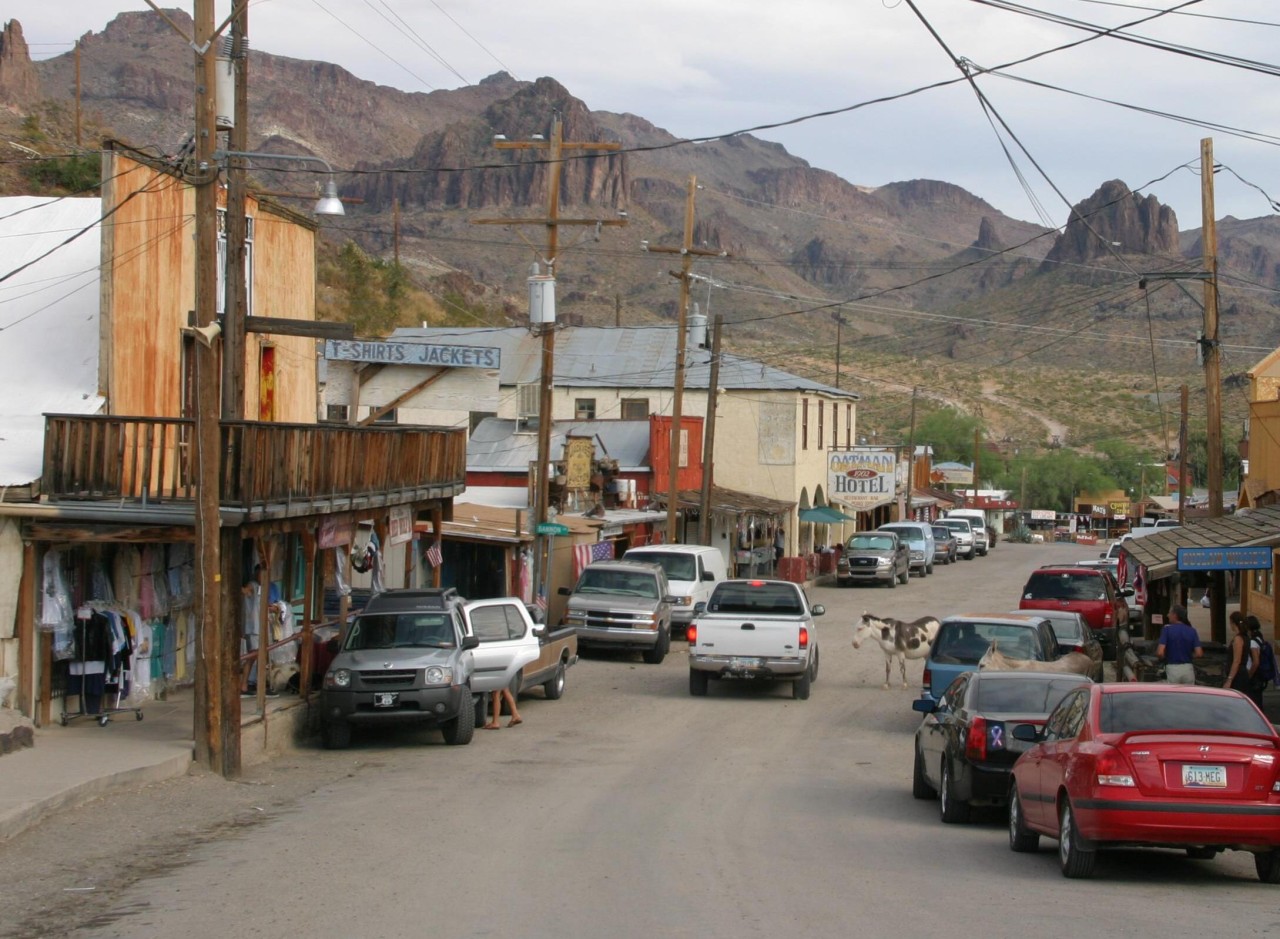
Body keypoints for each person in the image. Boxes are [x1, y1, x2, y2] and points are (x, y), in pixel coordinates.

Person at [1156, 604, 1202, 685]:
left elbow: (1160, 652)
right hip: (1188, 669)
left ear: (1175, 615)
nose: (1167, 615)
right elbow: (1199, 653)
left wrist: (1164, 658)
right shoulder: (1192, 631)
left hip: (1172, 668)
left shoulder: (1167, 629)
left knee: (1173, 695)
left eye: (1169, 613)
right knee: (1188, 696)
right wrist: (1188, 656)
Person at [1225, 610, 1258, 700]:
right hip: (1242, 672)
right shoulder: (1246, 637)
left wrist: (1229, 679)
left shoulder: (1238, 639)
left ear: (1233, 623)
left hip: (1238, 675)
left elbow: (1237, 660)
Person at [1244, 614, 1268, 711]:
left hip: (1254, 677)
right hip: (1259, 676)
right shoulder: (1259, 638)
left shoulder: (1253, 642)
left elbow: (1256, 661)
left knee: (1253, 702)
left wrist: (1249, 675)